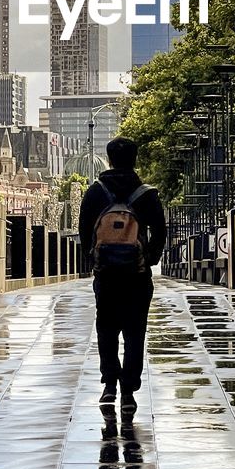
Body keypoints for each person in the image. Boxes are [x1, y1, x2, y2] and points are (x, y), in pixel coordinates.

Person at [79, 136, 166, 414]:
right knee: (134, 331)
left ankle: (109, 386)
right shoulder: (146, 194)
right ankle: (128, 389)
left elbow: (83, 231)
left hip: (106, 275)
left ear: (109, 159)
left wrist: (93, 257)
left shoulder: (95, 192)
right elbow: (161, 233)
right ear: (135, 159)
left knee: (106, 329)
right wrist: (148, 258)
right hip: (137, 276)